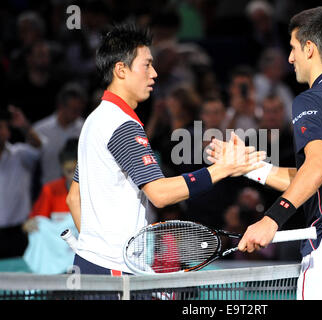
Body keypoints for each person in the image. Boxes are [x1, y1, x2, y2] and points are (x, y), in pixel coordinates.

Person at [209, 7, 322, 300]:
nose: (290, 58)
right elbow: (314, 178)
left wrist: (270, 220)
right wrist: (250, 168)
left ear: (309, 48)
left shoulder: (311, 99)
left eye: (293, 47)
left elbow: (318, 168)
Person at [65, 23, 264, 276]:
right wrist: (223, 168)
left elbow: (74, 198)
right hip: (116, 272)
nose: (155, 73)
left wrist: (97, 250)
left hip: (89, 264)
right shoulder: (122, 124)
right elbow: (159, 194)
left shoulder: (94, 121)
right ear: (121, 70)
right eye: (147, 65)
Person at [22, 138, 79, 274]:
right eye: (68, 171)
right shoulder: (50, 190)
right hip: (57, 263)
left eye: (76, 171)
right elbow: (34, 223)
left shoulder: (93, 192)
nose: (72, 177)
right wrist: (29, 226)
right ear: (61, 168)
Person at [0, 106, 41, 258]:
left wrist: (24, 126)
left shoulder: (20, 154)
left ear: (8, 132)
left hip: (19, 230)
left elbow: (41, 147)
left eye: (1, 127)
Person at [33, 82, 86, 185]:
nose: (77, 113)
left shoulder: (85, 129)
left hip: (76, 192)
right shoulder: (40, 130)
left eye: (79, 110)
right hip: (48, 191)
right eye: (74, 109)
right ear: (61, 106)